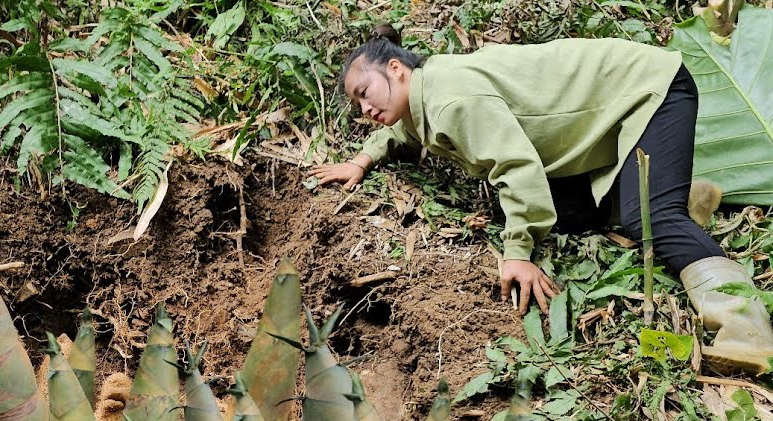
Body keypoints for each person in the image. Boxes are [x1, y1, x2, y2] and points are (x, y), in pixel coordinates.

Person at [310, 25, 773, 375]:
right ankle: (677, 193)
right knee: (564, 212)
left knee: (650, 220)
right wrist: (362, 160)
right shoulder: (426, 97)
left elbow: (516, 168)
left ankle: (746, 328)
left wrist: (518, 254)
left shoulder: (451, 99)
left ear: (396, 69)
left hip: (651, 88)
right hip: (616, 112)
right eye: (358, 105)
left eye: (364, 93)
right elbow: (402, 133)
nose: (366, 109)